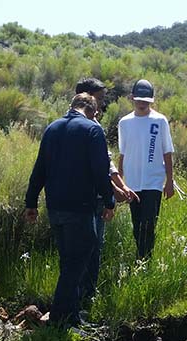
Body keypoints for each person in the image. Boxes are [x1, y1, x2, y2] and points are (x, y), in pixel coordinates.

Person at [24, 93, 116, 328]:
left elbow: (39, 168)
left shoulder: (52, 128)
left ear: (72, 107)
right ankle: (59, 319)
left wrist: (31, 202)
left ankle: (71, 316)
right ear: (93, 112)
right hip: (80, 207)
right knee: (77, 261)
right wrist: (109, 201)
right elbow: (100, 170)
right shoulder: (92, 130)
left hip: (55, 207)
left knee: (68, 262)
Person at [75, 78, 138, 308]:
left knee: (95, 247)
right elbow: (94, 168)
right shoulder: (81, 127)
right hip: (85, 200)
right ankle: (80, 300)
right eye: (100, 100)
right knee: (84, 249)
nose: (102, 106)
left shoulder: (93, 126)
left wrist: (121, 185)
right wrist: (114, 193)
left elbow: (107, 164)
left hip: (98, 198)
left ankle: (86, 298)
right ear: (87, 98)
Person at [118, 79, 177, 261]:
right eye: (139, 100)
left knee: (149, 223)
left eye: (146, 100)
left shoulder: (160, 121)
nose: (142, 103)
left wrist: (170, 181)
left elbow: (167, 151)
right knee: (137, 224)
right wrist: (119, 183)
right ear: (132, 98)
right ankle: (141, 257)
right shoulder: (124, 122)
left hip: (154, 181)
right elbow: (122, 154)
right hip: (133, 181)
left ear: (152, 100)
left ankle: (145, 259)